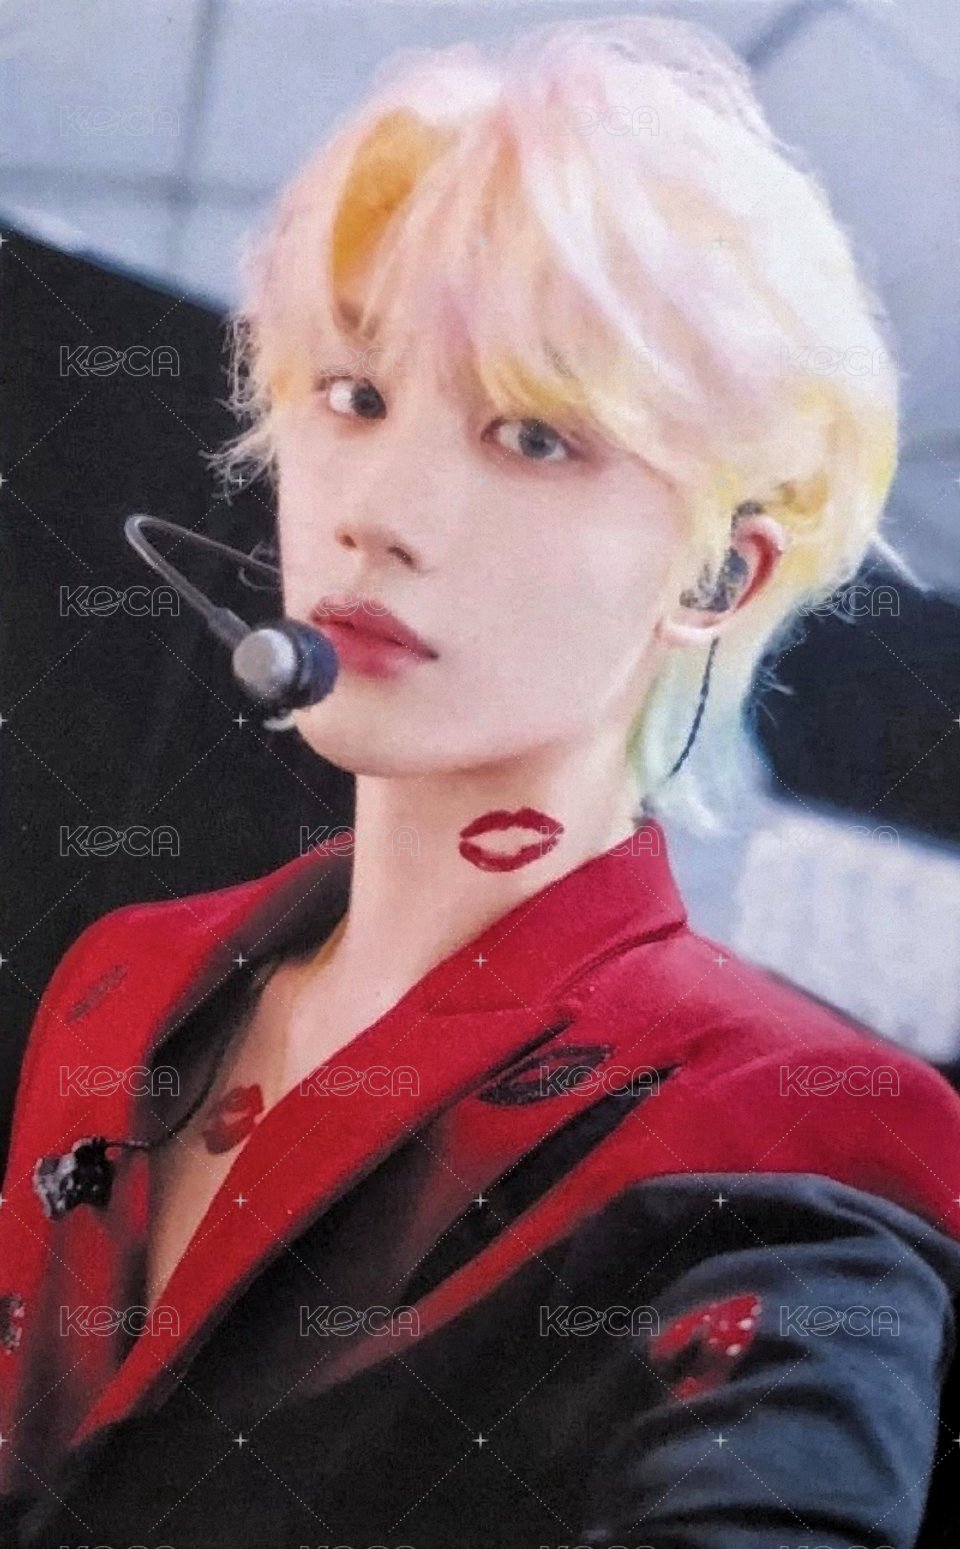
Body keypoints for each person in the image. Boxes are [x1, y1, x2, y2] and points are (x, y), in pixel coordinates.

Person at [2, 13, 959, 1549]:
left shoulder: (788, 1133)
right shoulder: (120, 985)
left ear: (718, 571)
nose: (379, 511)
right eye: (355, 393)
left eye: (532, 435)